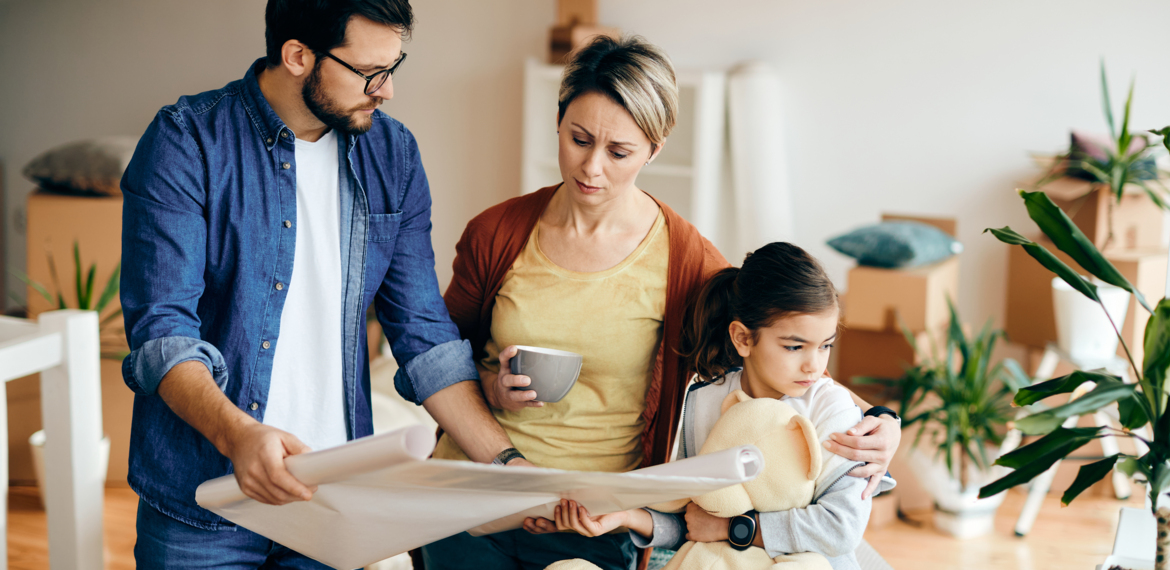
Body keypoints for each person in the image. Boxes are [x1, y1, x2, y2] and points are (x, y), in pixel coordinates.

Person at [422, 35, 901, 570]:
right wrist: (491, 388)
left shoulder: (687, 261)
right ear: (558, 121)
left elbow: (780, 348)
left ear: (656, 146)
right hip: (475, 498)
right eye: (578, 139)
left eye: (619, 151)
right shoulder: (497, 233)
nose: (591, 168)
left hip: (595, 516)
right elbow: (439, 359)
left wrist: (879, 417)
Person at [119, 1, 528, 567]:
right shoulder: (187, 141)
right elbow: (161, 332)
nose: (386, 91)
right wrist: (239, 436)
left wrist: (509, 467)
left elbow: (423, 334)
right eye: (368, 73)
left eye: (395, 67)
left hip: (330, 497)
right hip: (205, 499)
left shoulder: (394, 154)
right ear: (297, 56)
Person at [547, 242, 896, 570]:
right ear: (743, 338)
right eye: (795, 347)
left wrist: (734, 528)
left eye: (825, 346)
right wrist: (624, 517)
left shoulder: (833, 410)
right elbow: (695, 520)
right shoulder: (704, 401)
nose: (814, 366)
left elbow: (841, 528)